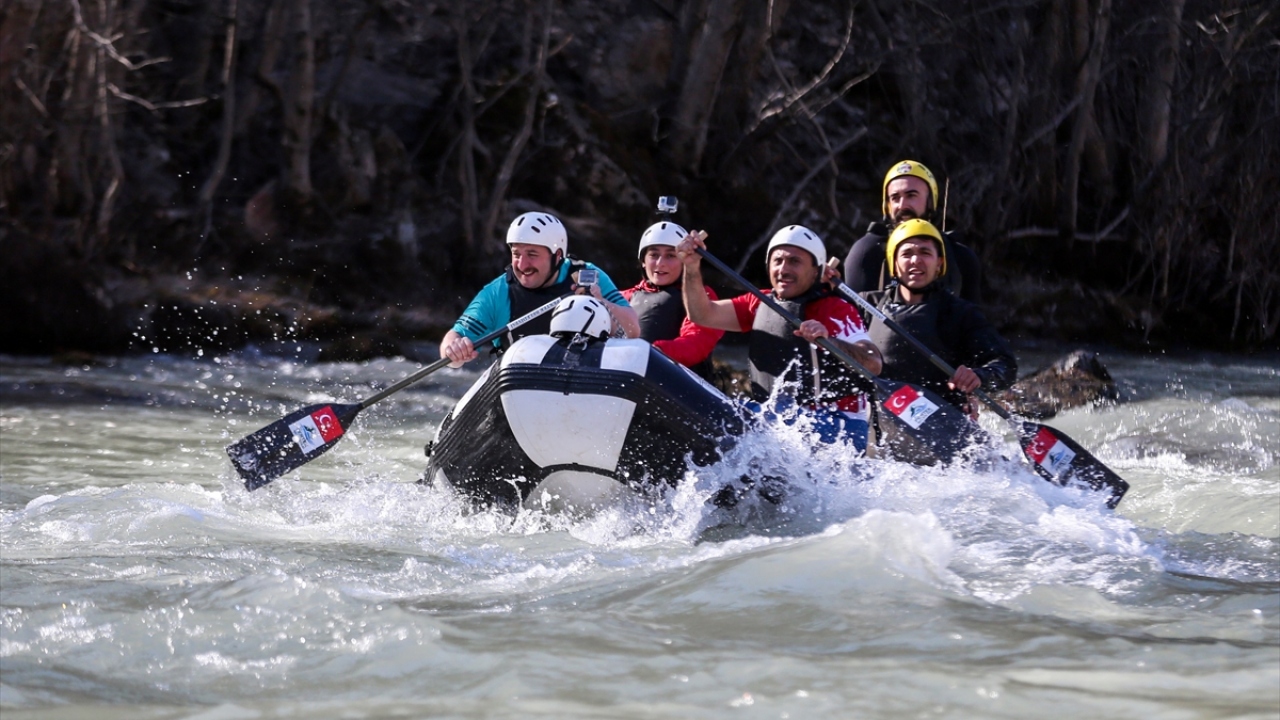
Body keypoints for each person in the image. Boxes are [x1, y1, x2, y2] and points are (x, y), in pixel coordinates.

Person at [676, 225, 883, 449]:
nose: (783, 269)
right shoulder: (760, 302)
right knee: (722, 416)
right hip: (781, 418)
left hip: (839, 423)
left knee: (752, 430)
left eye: (795, 261)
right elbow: (701, 314)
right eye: (778, 261)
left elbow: (873, 363)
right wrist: (691, 266)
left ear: (815, 271)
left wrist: (829, 340)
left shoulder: (835, 308)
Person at [440, 211, 641, 367]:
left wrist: (602, 305)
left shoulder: (587, 276)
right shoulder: (498, 292)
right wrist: (455, 350)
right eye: (516, 254)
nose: (522, 264)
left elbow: (633, 330)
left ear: (557, 256)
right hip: (521, 393)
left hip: (583, 384)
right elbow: (452, 339)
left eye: (532, 254)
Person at [861, 218, 1016, 415]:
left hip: (940, 425)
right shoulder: (865, 305)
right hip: (880, 421)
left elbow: (1005, 364)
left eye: (925, 252)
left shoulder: (960, 313)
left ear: (939, 263)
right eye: (907, 254)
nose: (916, 260)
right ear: (894, 264)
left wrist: (979, 376)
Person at [843, 159, 984, 304]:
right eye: (895, 198)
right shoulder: (867, 251)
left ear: (930, 201)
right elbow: (854, 319)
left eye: (911, 195)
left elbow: (975, 321)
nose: (902, 205)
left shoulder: (959, 256)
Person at [621, 220, 724, 378]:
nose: (660, 263)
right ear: (643, 261)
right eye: (654, 255)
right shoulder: (623, 298)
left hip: (677, 386)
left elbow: (697, 343)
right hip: (631, 378)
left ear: (684, 261)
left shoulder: (701, 295)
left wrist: (653, 352)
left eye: (670, 255)